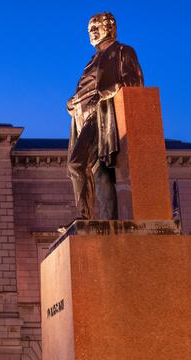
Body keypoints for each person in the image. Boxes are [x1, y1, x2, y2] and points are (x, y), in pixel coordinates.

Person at [66, 11, 143, 221]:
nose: (91, 33)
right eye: (89, 30)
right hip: (82, 118)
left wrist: (103, 94)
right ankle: (106, 221)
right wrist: (72, 103)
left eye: (95, 28)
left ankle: (83, 216)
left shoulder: (123, 52)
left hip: (102, 115)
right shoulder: (91, 61)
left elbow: (133, 82)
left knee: (77, 163)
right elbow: (84, 88)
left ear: (109, 27)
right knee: (101, 174)